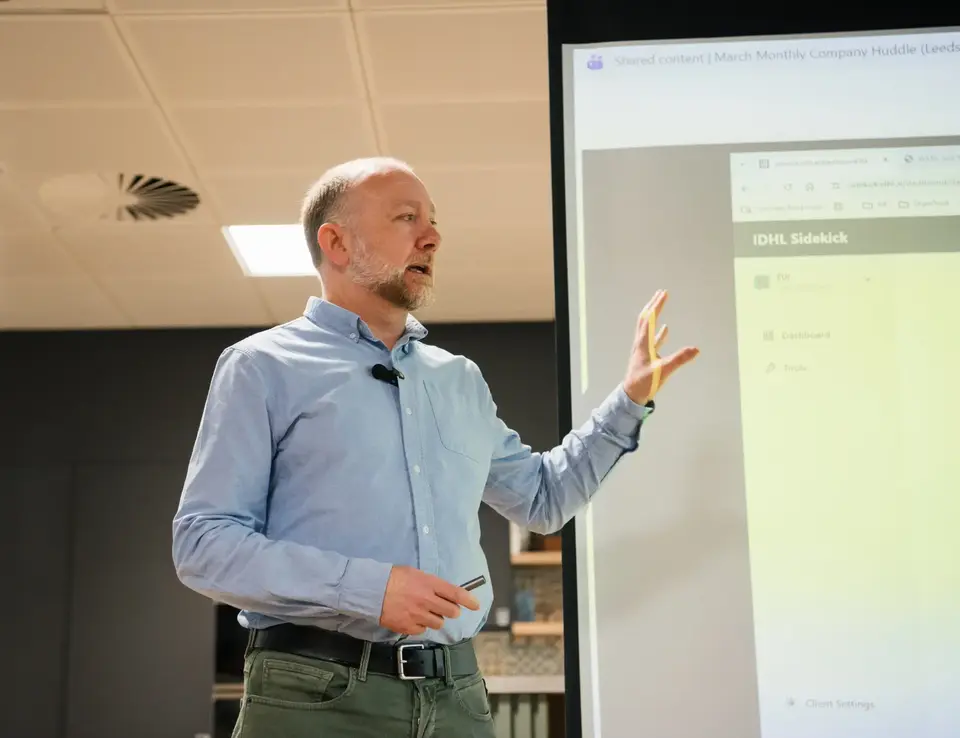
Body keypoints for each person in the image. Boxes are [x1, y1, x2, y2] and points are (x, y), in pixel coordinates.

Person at [172, 156, 699, 737]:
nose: (433, 236)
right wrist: (369, 589)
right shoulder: (262, 366)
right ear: (336, 243)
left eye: (433, 221)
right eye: (407, 218)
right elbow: (203, 544)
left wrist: (629, 401)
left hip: (457, 699)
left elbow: (544, 498)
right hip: (317, 696)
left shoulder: (458, 379)